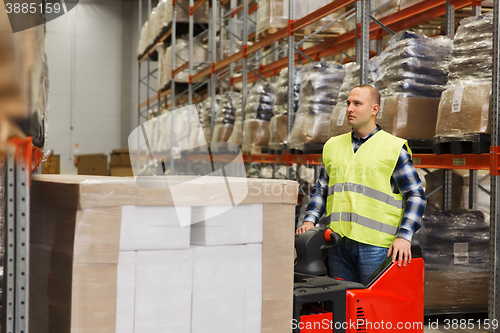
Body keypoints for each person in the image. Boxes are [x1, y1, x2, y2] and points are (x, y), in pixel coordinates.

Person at [296, 85, 426, 284]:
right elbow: (322, 189)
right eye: (348, 103)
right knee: (344, 303)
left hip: (376, 247)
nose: (350, 108)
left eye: (357, 103)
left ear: (374, 109)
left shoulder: (393, 148)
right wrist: (309, 221)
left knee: (374, 307)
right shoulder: (332, 146)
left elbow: (415, 195)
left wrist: (404, 236)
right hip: (337, 244)